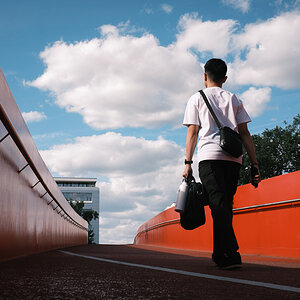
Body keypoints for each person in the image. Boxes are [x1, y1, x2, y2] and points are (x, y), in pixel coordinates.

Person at [182, 58, 261, 269]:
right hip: (234, 159)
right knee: (225, 205)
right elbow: (244, 133)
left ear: (204, 76)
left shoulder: (196, 98)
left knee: (218, 205)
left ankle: (232, 252)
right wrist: (254, 164)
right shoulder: (234, 99)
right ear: (225, 78)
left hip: (210, 157)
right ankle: (221, 253)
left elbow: (193, 132)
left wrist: (188, 162)